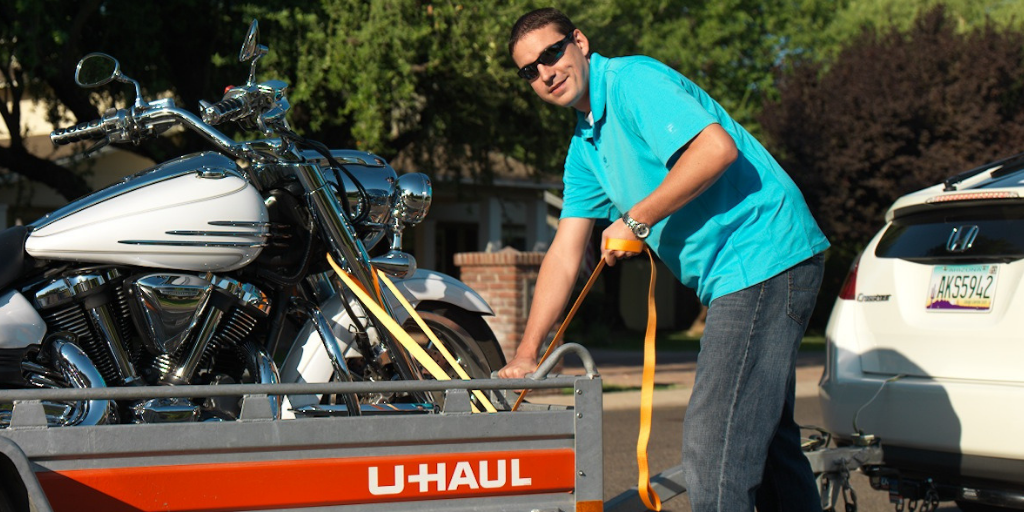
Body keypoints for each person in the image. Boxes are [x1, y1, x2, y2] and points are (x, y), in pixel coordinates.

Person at [498, 7, 830, 512]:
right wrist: (526, 354)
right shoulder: (585, 147)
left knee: (714, 440)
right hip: (738, 274)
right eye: (530, 70)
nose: (545, 72)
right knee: (768, 445)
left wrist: (635, 219)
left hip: (762, 256)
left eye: (551, 53)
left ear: (579, 42)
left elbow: (715, 150)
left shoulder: (633, 81)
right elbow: (565, 253)